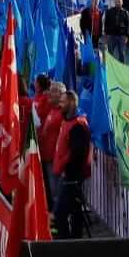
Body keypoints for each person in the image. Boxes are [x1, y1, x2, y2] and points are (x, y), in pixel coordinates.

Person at [52, 90, 91, 239]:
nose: (60, 104)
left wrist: (67, 172)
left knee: (60, 212)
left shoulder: (78, 125)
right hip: (66, 174)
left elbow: (78, 154)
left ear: (71, 103)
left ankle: (66, 242)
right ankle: (74, 240)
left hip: (70, 177)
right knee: (74, 210)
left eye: (63, 101)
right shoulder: (67, 121)